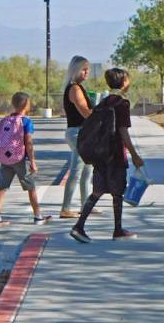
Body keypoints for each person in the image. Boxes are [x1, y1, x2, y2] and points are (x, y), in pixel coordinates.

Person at [70, 68, 144, 243]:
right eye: (127, 79)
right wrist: (134, 155)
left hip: (100, 154)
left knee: (97, 191)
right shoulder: (122, 104)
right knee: (117, 192)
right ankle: (118, 230)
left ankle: (79, 226)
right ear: (124, 81)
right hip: (116, 153)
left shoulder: (103, 103)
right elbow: (123, 131)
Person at [0, 92, 51, 226]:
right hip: (20, 159)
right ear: (26, 105)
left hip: (6, 159)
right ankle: (38, 216)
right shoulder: (26, 121)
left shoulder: (5, 120)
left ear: (13, 104)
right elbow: (28, 142)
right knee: (31, 188)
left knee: (2, 188)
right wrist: (33, 161)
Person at [60, 56, 96, 218]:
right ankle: (66, 208)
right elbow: (85, 112)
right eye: (83, 69)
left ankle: (85, 204)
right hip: (77, 132)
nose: (87, 72)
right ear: (75, 70)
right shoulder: (74, 88)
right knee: (76, 170)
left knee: (87, 170)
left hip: (82, 132)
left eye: (88, 69)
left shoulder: (79, 87)